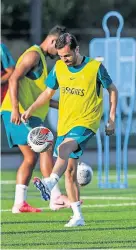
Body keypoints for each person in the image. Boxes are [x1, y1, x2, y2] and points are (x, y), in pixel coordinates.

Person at [22, 33, 118, 227]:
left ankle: (49, 184)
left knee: (63, 150)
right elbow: (48, 93)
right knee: (70, 171)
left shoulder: (95, 67)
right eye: (60, 56)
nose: (63, 60)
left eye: (67, 55)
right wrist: (31, 108)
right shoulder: (59, 68)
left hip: (87, 122)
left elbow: (112, 89)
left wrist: (111, 119)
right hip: (65, 123)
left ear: (77, 49)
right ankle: (77, 216)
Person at [1, 25, 70, 213]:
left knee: (30, 157)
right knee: (46, 144)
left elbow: (42, 99)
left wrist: (66, 105)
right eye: (60, 47)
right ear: (53, 41)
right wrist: (15, 109)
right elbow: (13, 78)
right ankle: (55, 197)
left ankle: (19, 203)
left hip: (25, 114)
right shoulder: (33, 55)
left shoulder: (42, 62)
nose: (60, 53)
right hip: (18, 113)